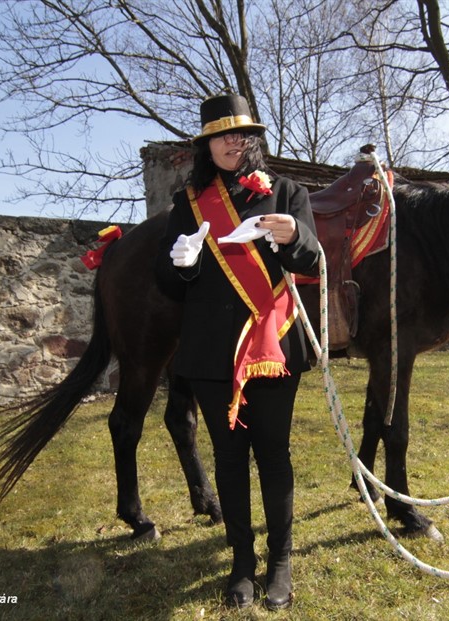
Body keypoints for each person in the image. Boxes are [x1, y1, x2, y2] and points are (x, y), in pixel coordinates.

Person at [161, 94, 319, 610]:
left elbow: (313, 260)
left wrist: (295, 236)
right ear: (207, 144)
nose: (233, 142)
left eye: (242, 133)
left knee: (273, 454)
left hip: (271, 344)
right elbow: (168, 281)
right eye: (222, 135)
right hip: (211, 352)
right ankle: (241, 563)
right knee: (229, 459)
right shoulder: (189, 202)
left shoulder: (288, 191)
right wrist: (182, 263)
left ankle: (280, 562)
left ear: (253, 140)